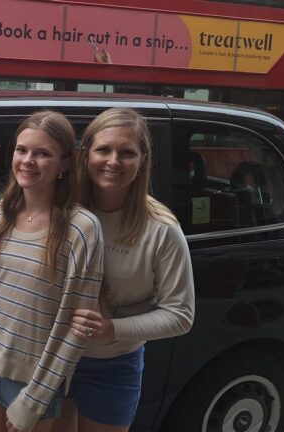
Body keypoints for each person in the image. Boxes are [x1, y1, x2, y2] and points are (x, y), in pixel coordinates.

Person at [52, 107, 195, 432]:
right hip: (54, 356)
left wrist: (111, 329)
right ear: (85, 155)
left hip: (113, 366)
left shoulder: (162, 229)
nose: (113, 161)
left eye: (127, 152)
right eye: (103, 149)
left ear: (143, 160)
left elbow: (181, 315)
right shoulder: (59, 209)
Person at [0, 110, 105, 432]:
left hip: (36, 381)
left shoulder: (82, 229)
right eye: (22, 150)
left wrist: (35, 399)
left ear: (64, 163)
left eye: (43, 153)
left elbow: (76, 328)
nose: (28, 161)